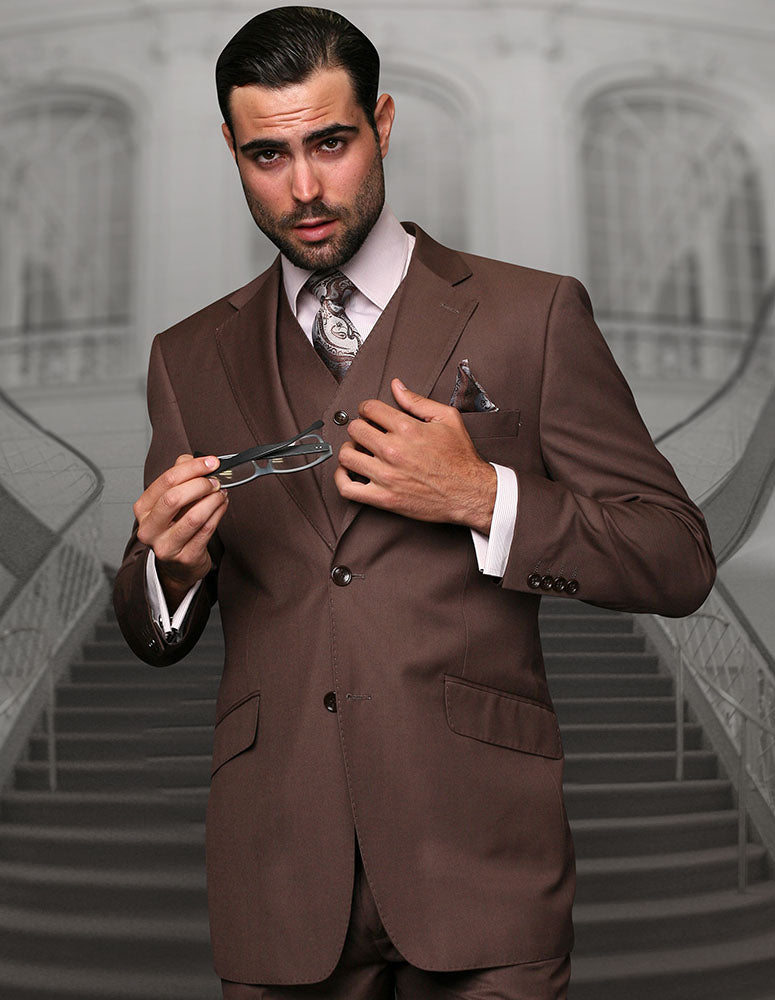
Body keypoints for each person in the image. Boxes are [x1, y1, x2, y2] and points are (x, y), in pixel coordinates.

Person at [113, 7, 716, 998]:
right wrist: (168, 570)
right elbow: (151, 622)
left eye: (330, 143)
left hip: (482, 862)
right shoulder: (187, 357)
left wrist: (485, 495)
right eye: (266, 155)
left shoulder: (533, 313)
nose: (303, 187)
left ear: (383, 123)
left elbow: (677, 556)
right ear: (230, 149)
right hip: (277, 876)